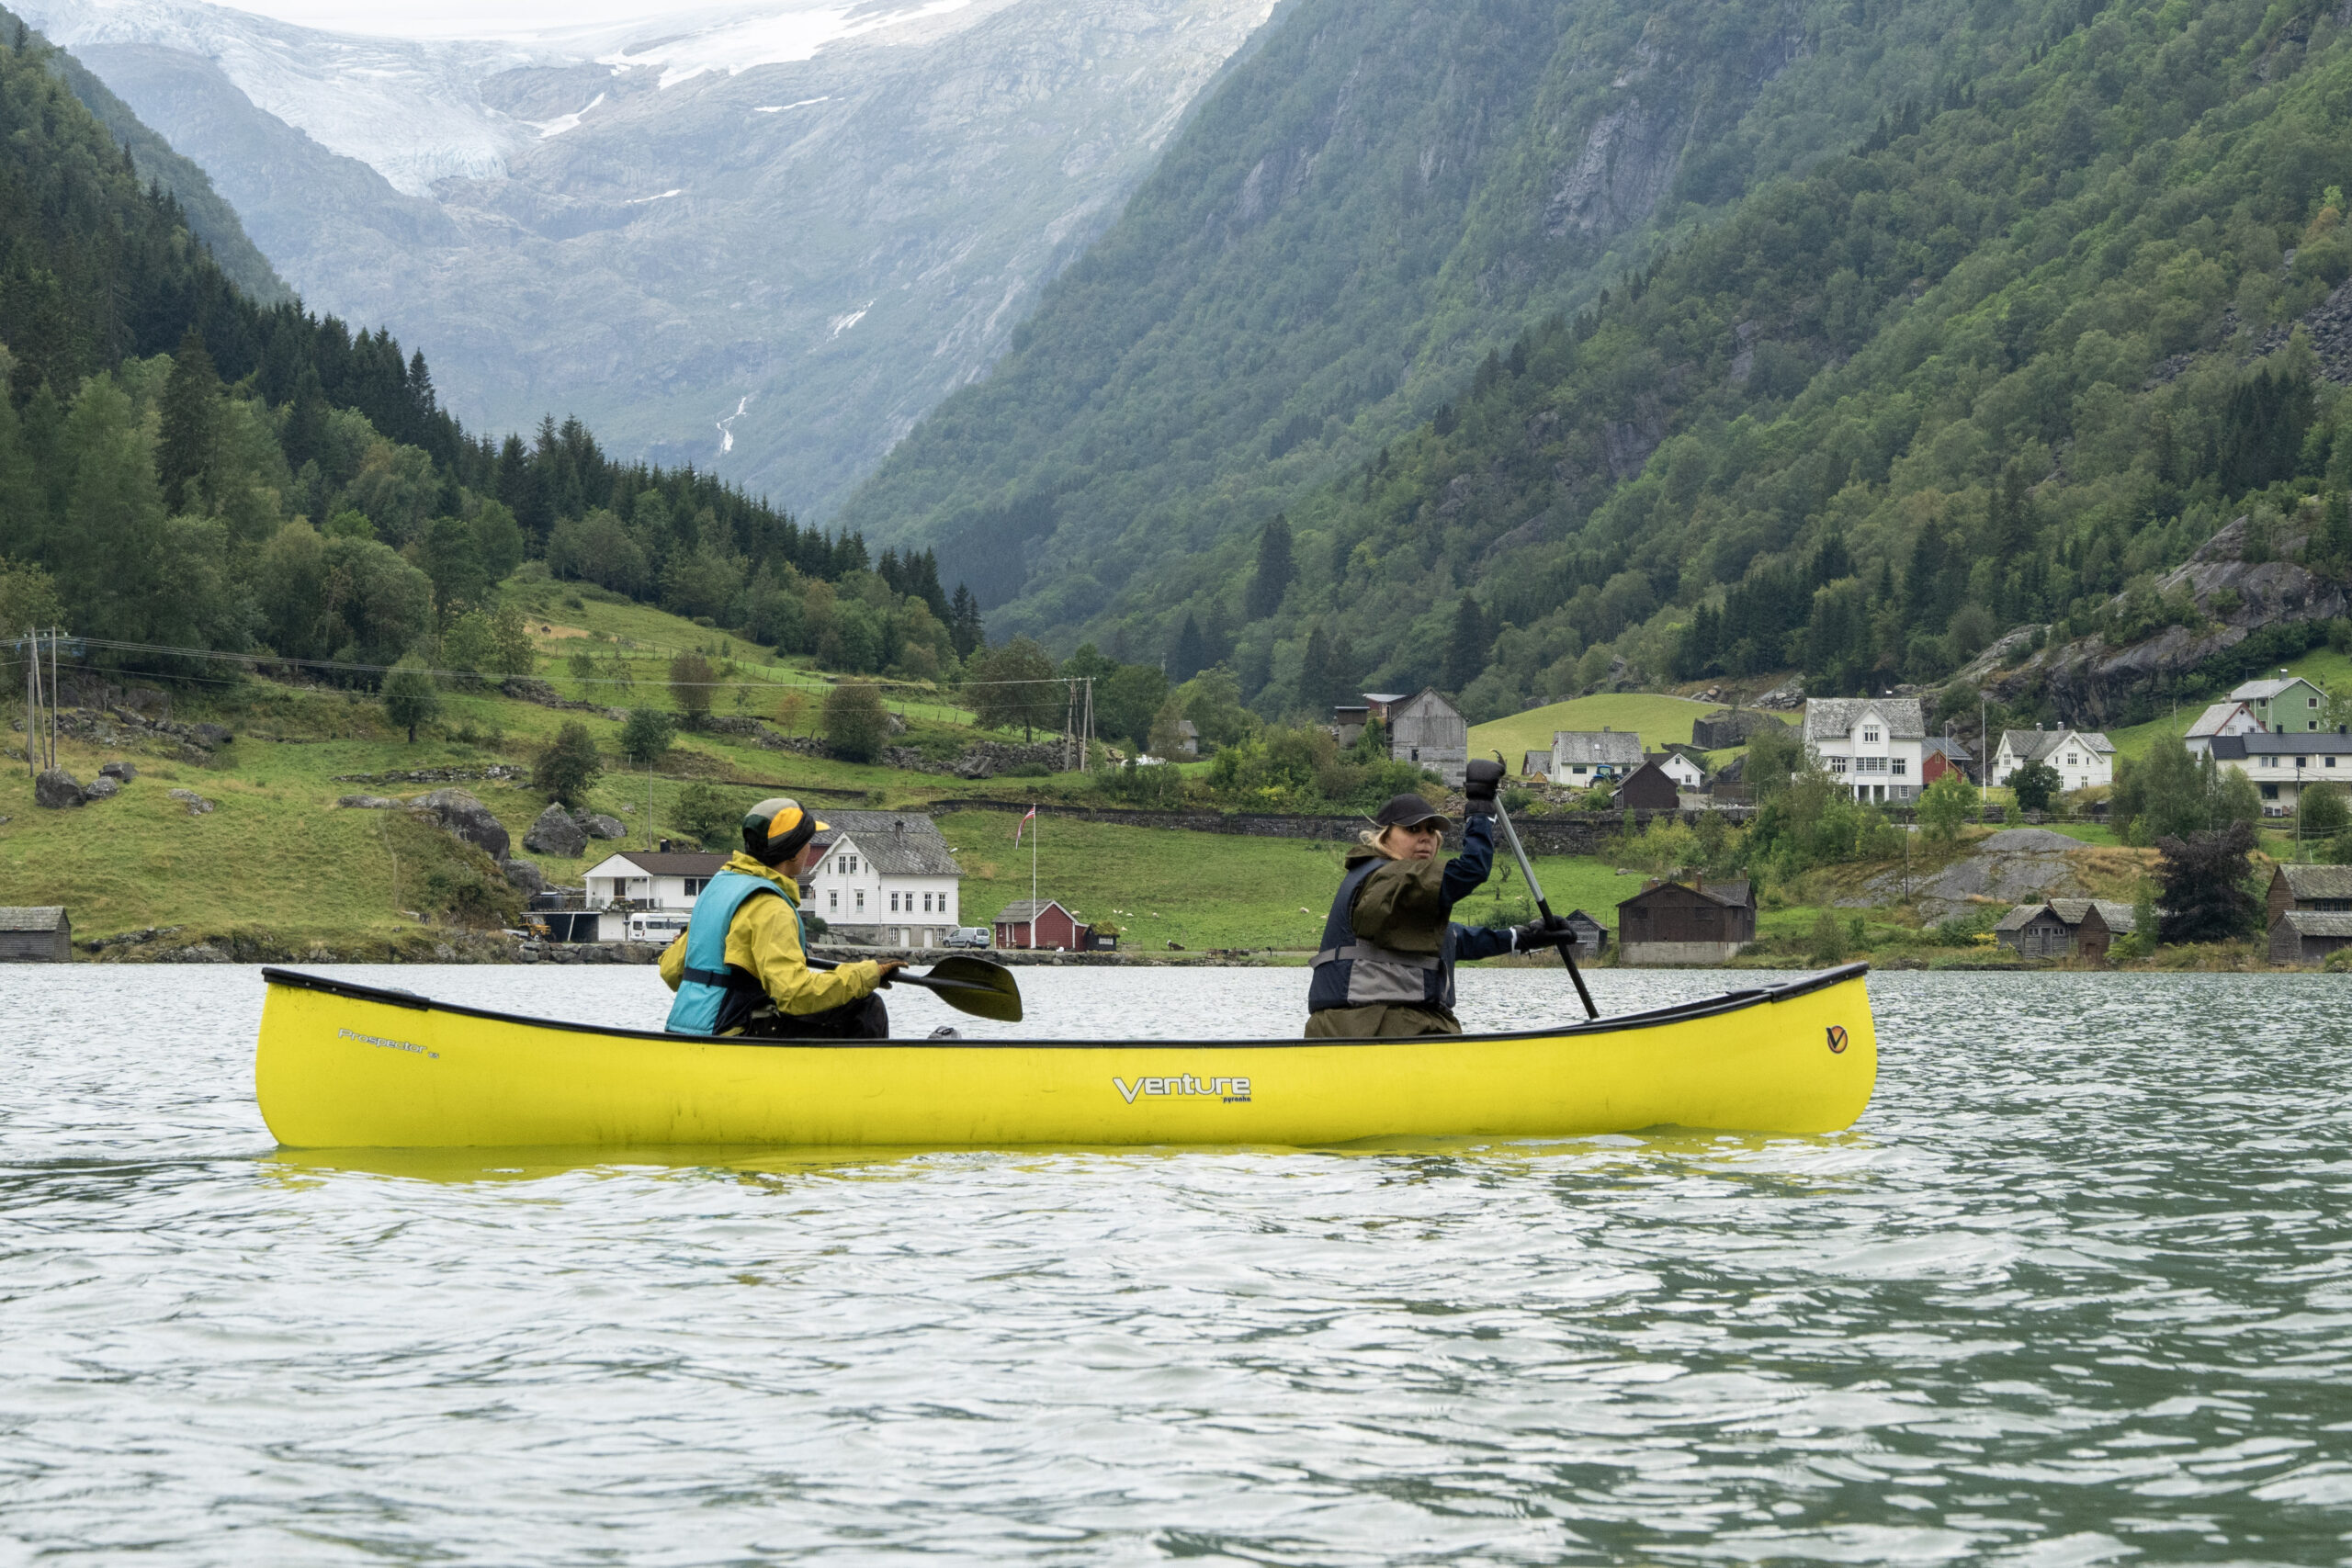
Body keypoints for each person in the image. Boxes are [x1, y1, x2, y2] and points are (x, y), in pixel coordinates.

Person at [1306, 759, 1553, 1037]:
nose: (1425, 838)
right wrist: (1480, 808)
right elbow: (1472, 870)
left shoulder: (1403, 893)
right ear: (1383, 837)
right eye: (1412, 830)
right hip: (1366, 1032)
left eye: (1431, 831)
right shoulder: (1386, 879)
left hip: (1398, 1029)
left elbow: (1454, 939)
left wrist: (1522, 938)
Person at [660, 796, 905, 1037]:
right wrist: (865, 976)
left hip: (683, 1029)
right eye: (808, 841)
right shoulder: (772, 907)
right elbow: (794, 996)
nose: (810, 848)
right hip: (731, 1032)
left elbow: (671, 973)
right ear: (793, 853)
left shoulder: (717, 889)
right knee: (866, 1007)